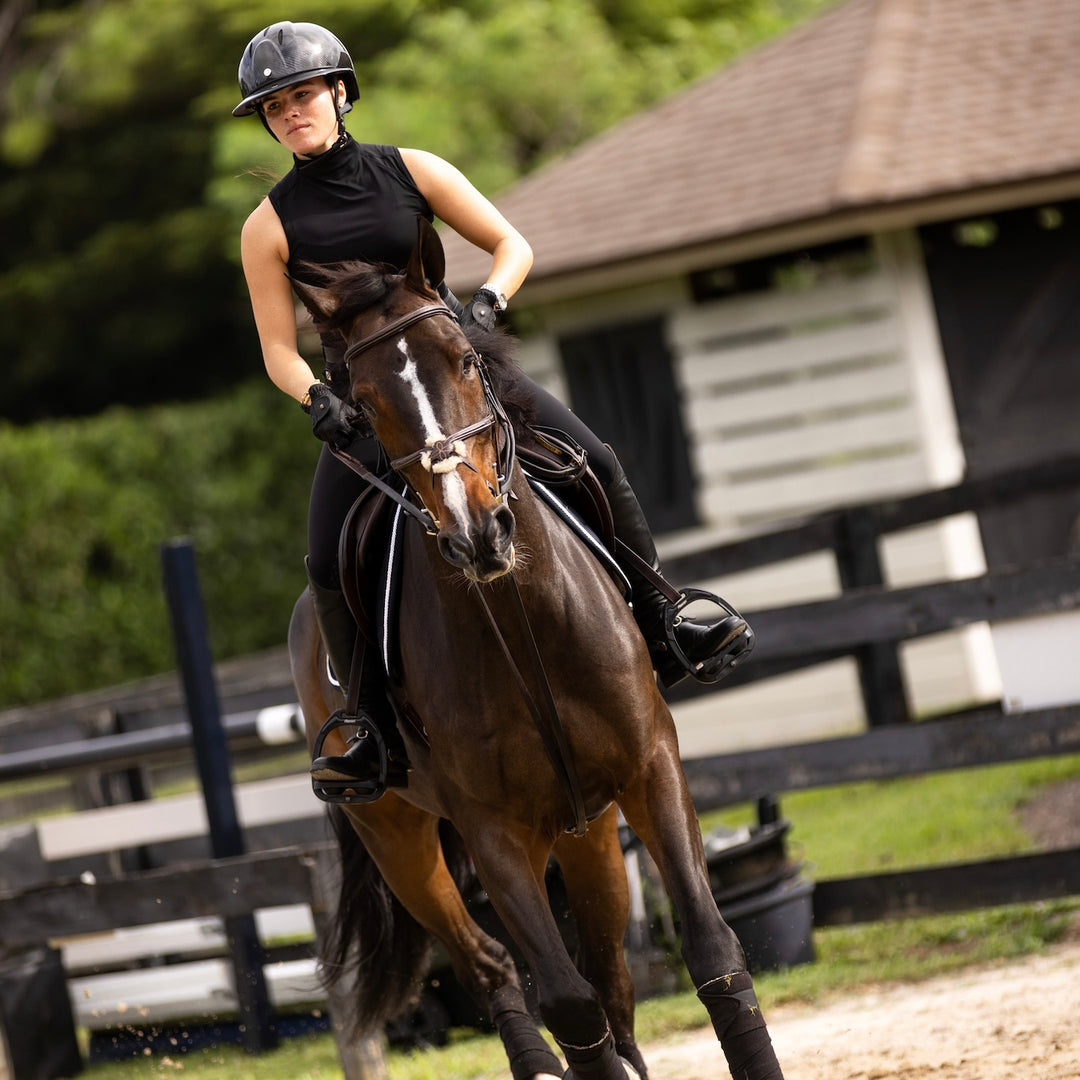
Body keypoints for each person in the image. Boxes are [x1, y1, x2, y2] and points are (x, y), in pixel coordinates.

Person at [234, 21, 753, 803]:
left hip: (457, 370)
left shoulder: (411, 170)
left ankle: (664, 615)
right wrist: (315, 398)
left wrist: (485, 306)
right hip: (370, 406)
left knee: (596, 460)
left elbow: (511, 244)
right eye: (275, 107)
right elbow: (279, 347)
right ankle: (368, 725)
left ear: (340, 92)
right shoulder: (266, 226)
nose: (291, 113)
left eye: (303, 94)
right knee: (322, 559)